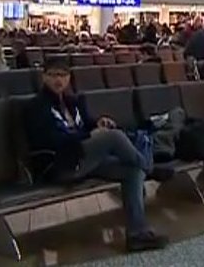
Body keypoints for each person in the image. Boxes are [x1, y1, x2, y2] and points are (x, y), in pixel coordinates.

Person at [23, 58, 169, 252]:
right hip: (60, 164)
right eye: (53, 75)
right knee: (115, 137)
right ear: (43, 77)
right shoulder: (36, 107)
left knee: (132, 171)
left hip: (84, 159)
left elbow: (86, 124)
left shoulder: (73, 102)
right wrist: (90, 135)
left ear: (69, 78)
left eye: (63, 75)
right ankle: (149, 168)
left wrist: (98, 124)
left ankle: (137, 234)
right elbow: (51, 139)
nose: (58, 80)